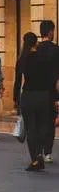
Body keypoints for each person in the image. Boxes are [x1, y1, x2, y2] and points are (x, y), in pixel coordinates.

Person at [16, 22, 59, 170]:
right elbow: (52, 77)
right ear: (36, 42)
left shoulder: (22, 59)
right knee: (42, 126)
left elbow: (17, 82)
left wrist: (16, 99)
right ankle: (42, 152)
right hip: (44, 95)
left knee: (31, 128)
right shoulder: (45, 58)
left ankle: (35, 158)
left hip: (28, 95)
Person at [36, 20, 59, 163]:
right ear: (51, 32)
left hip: (36, 91)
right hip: (51, 92)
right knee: (50, 122)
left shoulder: (35, 49)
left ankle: (37, 151)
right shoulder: (56, 50)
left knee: (38, 122)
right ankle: (47, 152)